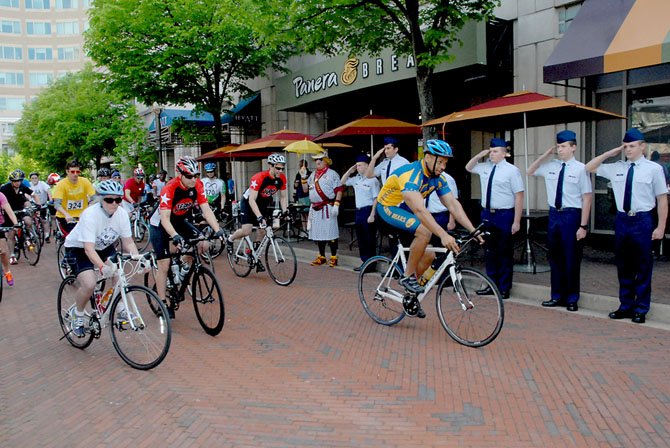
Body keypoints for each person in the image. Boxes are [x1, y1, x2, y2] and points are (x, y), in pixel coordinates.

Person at [376, 139, 479, 318]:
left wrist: (473, 230)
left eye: (446, 162)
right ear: (428, 158)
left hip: (405, 213)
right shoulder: (411, 175)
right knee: (425, 232)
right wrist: (443, 234)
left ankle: (410, 296)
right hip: (387, 210)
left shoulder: (437, 179)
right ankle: (407, 277)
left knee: (429, 254)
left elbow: (453, 205)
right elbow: (419, 210)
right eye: (440, 162)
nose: (443, 166)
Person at [585, 128, 668, 324]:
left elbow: (662, 200)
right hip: (622, 220)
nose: (628, 150)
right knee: (624, 266)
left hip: (643, 220)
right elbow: (589, 167)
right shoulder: (617, 167)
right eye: (625, 146)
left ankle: (641, 308)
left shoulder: (654, 169)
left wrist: (661, 227)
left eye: (631, 146)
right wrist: (609, 153)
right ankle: (626, 305)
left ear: (642, 146)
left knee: (643, 265)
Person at [63, 180, 139, 337]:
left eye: (118, 200)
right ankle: (78, 314)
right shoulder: (90, 215)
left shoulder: (122, 214)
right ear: (100, 199)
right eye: (109, 200)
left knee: (119, 273)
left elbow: (128, 242)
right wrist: (103, 267)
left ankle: (120, 310)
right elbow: (88, 249)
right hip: (79, 248)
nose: (114, 204)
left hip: (103, 246)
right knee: (89, 284)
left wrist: (138, 258)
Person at [149, 156, 223, 316]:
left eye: (196, 175)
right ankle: (163, 302)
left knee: (202, 243)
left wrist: (218, 230)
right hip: (160, 224)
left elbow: (206, 209)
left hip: (180, 220)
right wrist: (175, 236)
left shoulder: (198, 185)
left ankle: (182, 275)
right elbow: (165, 219)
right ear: (179, 174)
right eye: (189, 176)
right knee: (164, 263)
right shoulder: (170, 188)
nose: (193, 179)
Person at [528, 130, 592, 312]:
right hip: (554, 215)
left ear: (574, 147)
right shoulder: (551, 166)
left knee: (571, 257)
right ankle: (556, 296)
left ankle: (572, 298)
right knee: (554, 257)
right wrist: (544, 155)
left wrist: (583, 225)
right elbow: (530, 170)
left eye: (564, 146)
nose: (560, 150)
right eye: (558, 146)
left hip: (572, 215)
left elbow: (587, 198)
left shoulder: (581, 168)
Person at [466, 138, 524, 300]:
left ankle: (504, 287)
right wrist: (479, 155)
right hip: (487, 214)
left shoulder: (512, 170)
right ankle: (491, 284)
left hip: (504, 214)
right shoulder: (485, 167)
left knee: (504, 251)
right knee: (489, 251)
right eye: (491, 151)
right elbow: (468, 167)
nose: (492, 154)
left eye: (495, 151)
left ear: (504, 153)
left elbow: (519, 196)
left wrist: (517, 221)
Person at [226, 153, 288, 266]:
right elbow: (251, 200)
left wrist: (285, 211)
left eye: (282, 168)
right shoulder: (259, 177)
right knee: (247, 230)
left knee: (263, 230)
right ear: (271, 166)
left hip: (263, 203)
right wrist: (259, 217)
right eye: (278, 168)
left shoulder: (282, 178)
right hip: (249, 202)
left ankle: (254, 253)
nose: (280, 170)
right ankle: (230, 238)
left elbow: (283, 197)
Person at [302, 151, 344, 267]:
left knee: (330, 232)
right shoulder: (312, 175)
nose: (318, 162)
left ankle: (334, 256)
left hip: (328, 207)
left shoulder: (332, 174)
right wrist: (303, 177)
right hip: (315, 207)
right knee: (318, 233)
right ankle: (321, 256)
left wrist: (336, 204)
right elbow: (305, 190)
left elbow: (339, 189)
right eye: (316, 160)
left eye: (320, 159)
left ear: (326, 161)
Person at [341, 153, 381, 271]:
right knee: (361, 238)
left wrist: (372, 214)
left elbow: (376, 198)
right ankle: (364, 262)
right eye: (357, 166)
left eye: (360, 165)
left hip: (368, 210)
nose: (358, 168)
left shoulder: (372, 180)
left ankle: (371, 263)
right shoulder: (356, 179)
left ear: (367, 166)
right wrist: (350, 170)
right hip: (358, 211)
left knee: (369, 238)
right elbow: (342, 181)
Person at [0, 169, 40, 265]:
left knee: (28, 221)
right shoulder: (5, 188)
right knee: (11, 234)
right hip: (10, 211)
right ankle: (12, 255)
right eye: (15, 181)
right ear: (11, 181)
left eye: (19, 180)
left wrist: (38, 205)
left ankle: (29, 235)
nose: (17, 183)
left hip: (21, 209)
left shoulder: (23, 186)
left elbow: (34, 194)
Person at [51, 160, 96, 237]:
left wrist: (88, 209)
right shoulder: (61, 184)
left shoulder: (84, 181)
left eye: (77, 172)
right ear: (67, 172)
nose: (75, 174)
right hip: (65, 217)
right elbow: (57, 204)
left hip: (82, 216)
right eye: (72, 172)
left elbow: (95, 198)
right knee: (74, 237)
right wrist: (66, 214)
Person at [0, 190, 19, 286]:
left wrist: (15, 224)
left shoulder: (0, 195)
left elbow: (10, 211)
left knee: (3, 252)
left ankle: (7, 272)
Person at [29, 172, 52, 242]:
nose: (34, 179)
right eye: (32, 178)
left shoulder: (42, 184)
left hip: (42, 204)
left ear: (38, 178)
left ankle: (46, 235)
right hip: (33, 205)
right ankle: (32, 235)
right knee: (31, 220)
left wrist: (50, 199)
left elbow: (48, 191)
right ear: (30, 179)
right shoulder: (29, 185)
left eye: (36, 178)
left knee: (44, 220)